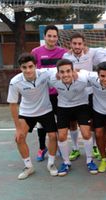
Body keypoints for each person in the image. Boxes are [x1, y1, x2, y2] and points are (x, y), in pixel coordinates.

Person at [7, 53, 58, 180]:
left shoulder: (45, 73)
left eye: (30, 66)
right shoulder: (15, 82)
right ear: (20, 68)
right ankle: (28, 166)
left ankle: (51, 164)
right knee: (19, 138)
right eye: (24, 67)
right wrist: (17, 128)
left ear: (36, 66)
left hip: (46, 110)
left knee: (53, 136)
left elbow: (63, 68)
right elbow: (13, 105)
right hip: (27, 112)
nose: (28, 70)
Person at [48, 59, 98, 176]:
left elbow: (101, 75)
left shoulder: (83, 78)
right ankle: (66, 162)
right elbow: (38, 72)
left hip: (81, 105)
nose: (65, 74)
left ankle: (89, 160)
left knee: (86, 133)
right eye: (62, 72)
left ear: (73, 70)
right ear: (58, 73)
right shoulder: (53, 79)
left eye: (68, 71)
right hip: (63, 107)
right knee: (61, 135)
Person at [31, 25, 68, 162]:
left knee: (59, 122)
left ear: (57, 38)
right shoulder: (36, 52)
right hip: (43, 94)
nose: (52, 38)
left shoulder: (64, 52)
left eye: (54, 36)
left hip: (59, 94)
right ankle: (42, 148)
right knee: (41, 123)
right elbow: (31, 71)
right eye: (49, 35)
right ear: (44, 37)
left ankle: (57, 146)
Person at [63, 32, 100, 161]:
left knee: (91, 122)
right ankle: (75, 148)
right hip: (73, 94)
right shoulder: (66, 56)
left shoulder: (91, 53)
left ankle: (94, 146)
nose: (77, 46)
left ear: (84, 45)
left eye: (80, 43)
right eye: (74, 43)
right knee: (72, 123)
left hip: (89, 93)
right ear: (70, 44)